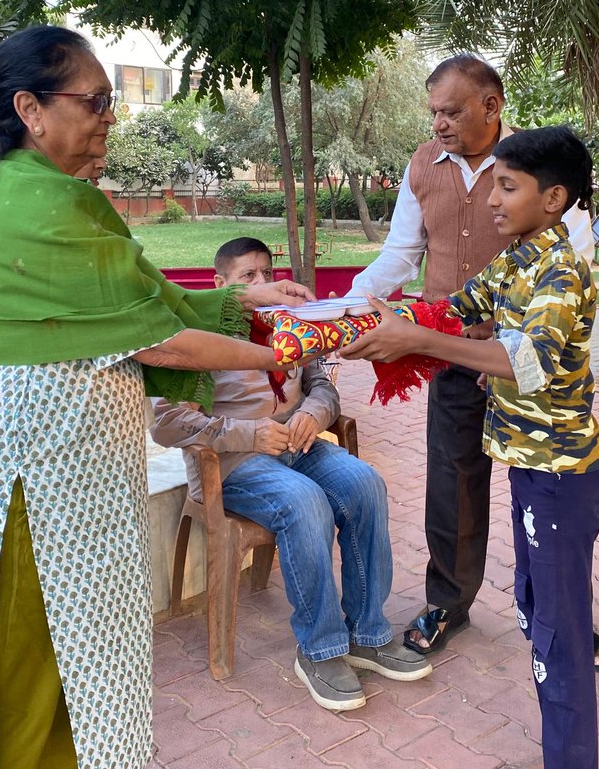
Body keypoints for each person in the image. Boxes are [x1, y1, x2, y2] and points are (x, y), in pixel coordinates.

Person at [0, 26, 315, 769]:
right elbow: (159, 337)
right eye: (93, 102)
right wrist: (294, 338)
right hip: (17, 498)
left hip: (60, 493)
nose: (107, 120)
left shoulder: (35, 195)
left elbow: (139, 300)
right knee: (2, 716)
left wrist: (252, 302)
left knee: (61, 692)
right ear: (31, 109)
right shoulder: (41, 202)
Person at [342, 125, 599, 769]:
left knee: (557, 637)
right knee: (539, 617)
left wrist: (419, 341)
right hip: (531, 473)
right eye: (493, 183)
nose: (490, 198)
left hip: (560, 480)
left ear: (553, 199)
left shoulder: (561, 273)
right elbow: (456, 310)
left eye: (508, 186)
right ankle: (563, 758)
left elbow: (525, 363)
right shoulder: (518, 259)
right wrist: (376, 317)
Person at [345, 56, 599, 672]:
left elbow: (568, 270)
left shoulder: (538, 166)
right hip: (451, 348)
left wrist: (503, 321)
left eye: (452, 111)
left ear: (491, 107)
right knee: (453, 480)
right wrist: (351, 311)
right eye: (433, 111)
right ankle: (450, 601)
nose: (438, 123)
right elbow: (400, 253)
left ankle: (566, 617)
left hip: (531, 373)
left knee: (545, 498)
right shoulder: (423, 166)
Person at [150, 237, 433, 712]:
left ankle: (366, 633)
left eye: (267, 273)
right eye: (248, 277)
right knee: (305, 502)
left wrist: (316, 415)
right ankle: (320, 650)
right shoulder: (202, 336)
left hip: (298, 447)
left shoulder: (293, 328)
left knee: (366, 484)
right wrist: (247, 433)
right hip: (234, 464)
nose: (263, 285)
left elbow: (323, 385)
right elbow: (168, 423)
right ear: (221, 285)